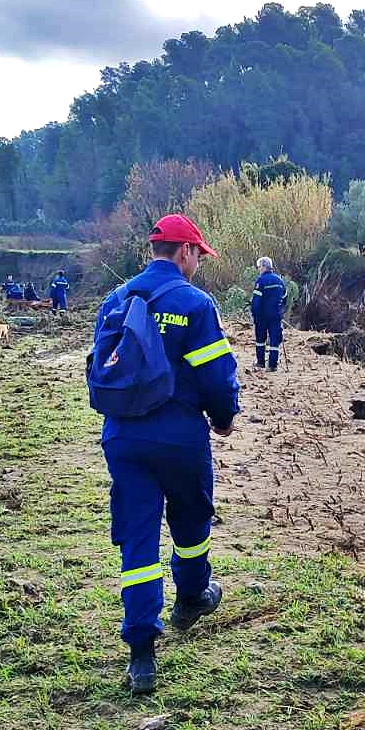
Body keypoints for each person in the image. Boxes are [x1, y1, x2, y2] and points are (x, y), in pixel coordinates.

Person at [94, 213, 239, 695]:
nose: (199, 262)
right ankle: (192, 595)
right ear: (184, 252)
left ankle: (141, 655)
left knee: (138, 541)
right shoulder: (195, 304)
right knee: (192, 521)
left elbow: (100, 371)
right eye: (199, 254)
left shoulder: (116, 299)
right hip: (179, 437)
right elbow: (217, 376)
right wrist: (223, 417)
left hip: (124, 439)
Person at [250, 256, 287, 371]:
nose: (259, 269)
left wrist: (254, 314)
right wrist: (280, 310)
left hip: (262, 316)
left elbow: (256, 301)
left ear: (264, 267)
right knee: (274, 340)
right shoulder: (279, 280)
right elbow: (285, 297)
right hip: (275, 315)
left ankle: (260, 362)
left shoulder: (261, 281)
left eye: (259, 267)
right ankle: (272, 365)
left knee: (260, 340)